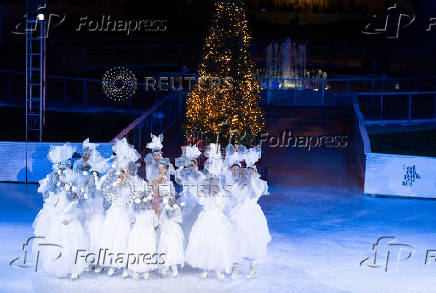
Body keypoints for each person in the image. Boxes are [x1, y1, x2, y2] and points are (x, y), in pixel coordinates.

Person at [185, 144, 235, 280]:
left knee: (217, 241)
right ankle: (206, 267)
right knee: (205, 241)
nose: (212, 184)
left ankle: (218, 268)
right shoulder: (205, 193)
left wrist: (218, 194)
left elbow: (223, 203)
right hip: (206, 217)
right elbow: (201, 201)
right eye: (210, 182)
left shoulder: (220, 193)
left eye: (214, 182)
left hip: (216, 218)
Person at [98, 138, 139, 278]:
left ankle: (126, 265)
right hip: (115, 211)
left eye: (125, 170)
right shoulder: (114, 182)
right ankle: (113, 264)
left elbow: (134, 196)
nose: (123, 173)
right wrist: (115, 183)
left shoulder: (132, 182)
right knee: (112, 236)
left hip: (126, 213)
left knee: (125, 238)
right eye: (121, 171)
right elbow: (105, 191)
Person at [229, 147, 271, 279]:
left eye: (252, 171)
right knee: (237, 237)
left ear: (255, 172)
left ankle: (253, 266)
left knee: (253, 238)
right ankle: (235, 265)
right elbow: (235, 196)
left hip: (252, 212)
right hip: (240, 211)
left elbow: (255, 194)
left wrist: (251, 181)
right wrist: (240, 183)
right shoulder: (241, 184)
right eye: (248, 171)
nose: (249, 173)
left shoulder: (259, 183)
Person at [153, 160, 184, 278]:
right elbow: (154, 197)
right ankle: (163, 264)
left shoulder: (170, 183)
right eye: (159, 168)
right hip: (160, 212)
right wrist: (157, 199)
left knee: (171, 235)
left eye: (163, 168)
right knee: (161, 236)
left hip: (168, 212)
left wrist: (170, 200)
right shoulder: (155, 182)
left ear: (166, 170)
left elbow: (172, 195)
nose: (161, 170)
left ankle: (173, 264)